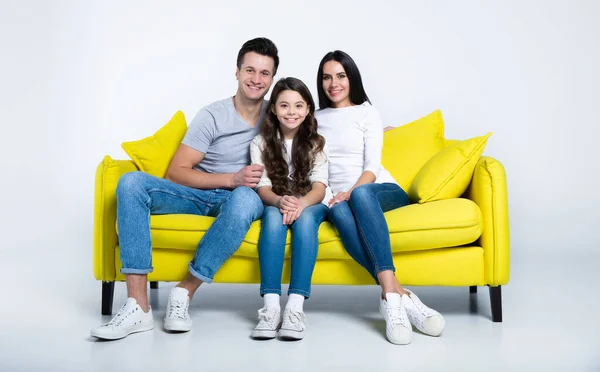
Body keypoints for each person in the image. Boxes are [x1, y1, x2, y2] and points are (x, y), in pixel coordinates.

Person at [90, 37, 279, 340]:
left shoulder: (277, 114)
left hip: (241, 200)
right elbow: (176, 172)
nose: (256, 79)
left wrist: (375, 129)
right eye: (250, 70)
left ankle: (183, 293)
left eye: (264, 73)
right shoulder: (213, 115)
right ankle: (137, 306)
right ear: (237, 72)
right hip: (198, 194)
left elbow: (314, 126)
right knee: (131, 182)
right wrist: (231, 178)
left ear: (272, 79)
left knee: (245, 197)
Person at [314, 50, 445, 345]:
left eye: (340, 76)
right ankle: (401, 297)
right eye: (326, 77)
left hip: (378, 189)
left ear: (351, 78)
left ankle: (389, 296)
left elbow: (371, 167)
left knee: (359, 195)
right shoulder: (314, 118)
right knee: (338, 212)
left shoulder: (367, 112)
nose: (333, 83)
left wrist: (350, 191)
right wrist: (333, 196)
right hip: (341, 197)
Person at [249, 77, 330, 340]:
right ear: (273, 109)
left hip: (311, 203)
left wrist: (302, 203)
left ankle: (295, 308)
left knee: (305, 221)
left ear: (307, 109)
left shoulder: (317, 142)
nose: (291, 112)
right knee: (273, 220)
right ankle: (271, 308)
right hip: (277, 201)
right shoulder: (260, 143)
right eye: (284, 106)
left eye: (298, 106)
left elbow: (319, 187)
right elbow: (262, 187)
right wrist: (280, 201)